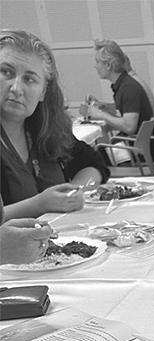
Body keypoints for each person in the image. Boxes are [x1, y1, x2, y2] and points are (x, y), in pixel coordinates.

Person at [0, 29, 108, 220]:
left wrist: (73, 192)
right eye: (6, 72)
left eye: (29, 79)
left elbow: (93, 164)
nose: (16, 88)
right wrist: (40, 205)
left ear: (43, 92)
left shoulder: (45, 128)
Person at [83, 39, 153, 136]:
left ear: (108, 65)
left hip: (132, 143)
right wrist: (103, 107)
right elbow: (127, 118)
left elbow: (129, 127)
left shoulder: (128, 88)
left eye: (97, 62)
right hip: (135, 140)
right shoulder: (124, 84)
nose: (95, 66)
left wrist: (101, 115)